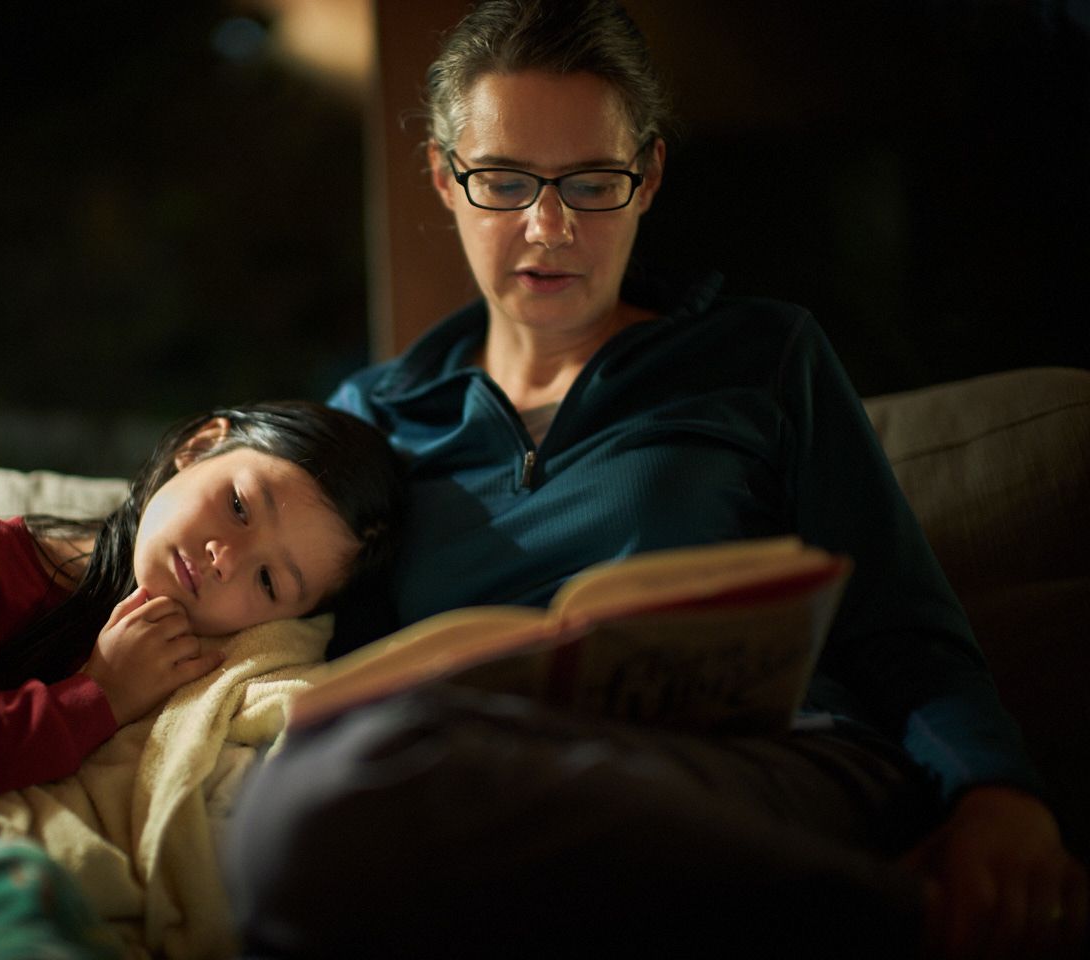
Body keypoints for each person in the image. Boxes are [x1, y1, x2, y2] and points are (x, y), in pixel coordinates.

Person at [222, 3, 1088, 958]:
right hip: (484, 783)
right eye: (504, 182)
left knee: (318, 813)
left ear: (648, 179)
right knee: (293, 801)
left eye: (591, 182)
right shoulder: (376, 420)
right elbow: (336, 665)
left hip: (765, 767)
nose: (548, 227)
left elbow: (903, 627)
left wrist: (996, 792)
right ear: (444, 176)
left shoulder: (759, 357)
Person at [0, 399, 405, 960]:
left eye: (268, 580)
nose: (226, 559)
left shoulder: (213, 672)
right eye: (238, 506)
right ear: (200, 445)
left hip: (51, 916)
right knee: (6, 890)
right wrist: (97, 696)